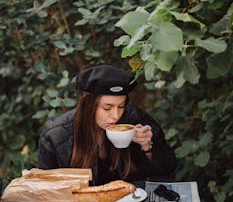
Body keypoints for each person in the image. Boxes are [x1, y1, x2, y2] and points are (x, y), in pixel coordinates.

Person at [38, 65, 176, 184]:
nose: (116, 115)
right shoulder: (56, 136)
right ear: (89, 106)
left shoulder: (137, 120)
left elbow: (167, 169)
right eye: (107, 108)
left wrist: (148, 148)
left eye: (121, 106)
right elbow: (44, 187)